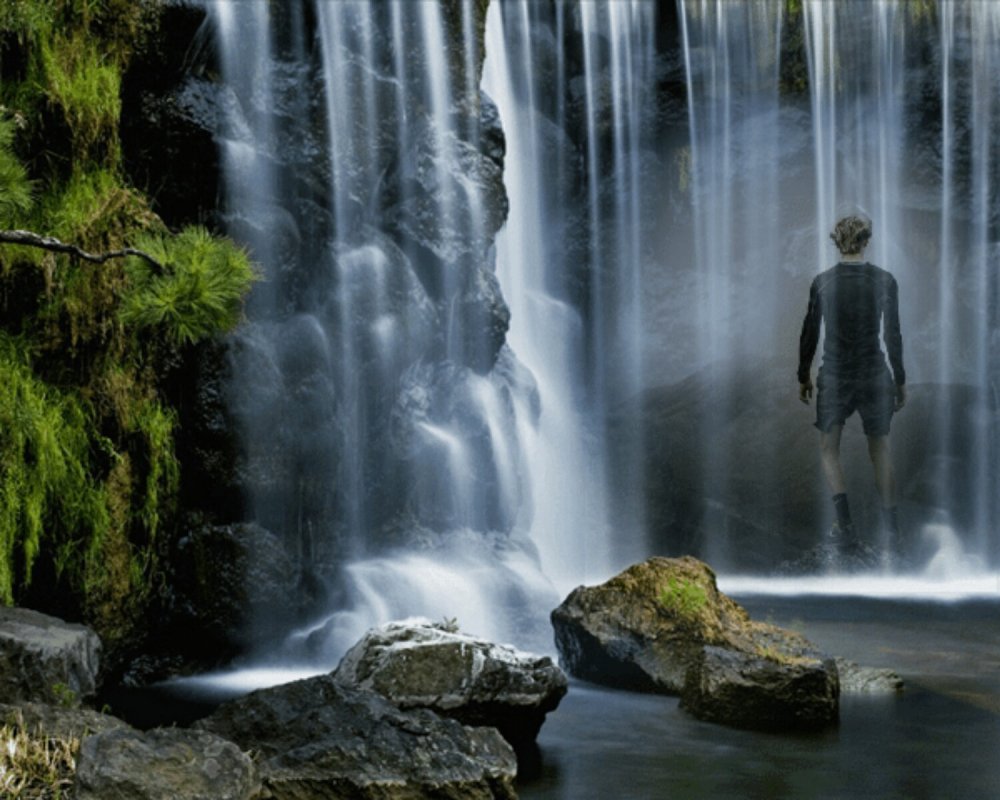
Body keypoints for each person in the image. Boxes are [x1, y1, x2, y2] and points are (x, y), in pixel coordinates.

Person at [797, 212, 906, 567]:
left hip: (837, 374)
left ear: (837, 242)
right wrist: (900, 379)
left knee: (829, 448)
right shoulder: (884, 281)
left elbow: (810, 332)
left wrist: (803, 374)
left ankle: (844, 526)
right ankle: (892, 531)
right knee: (881, 450)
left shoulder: (823, 282)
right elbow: (893, 335)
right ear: (866, 241)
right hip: (875, 372)